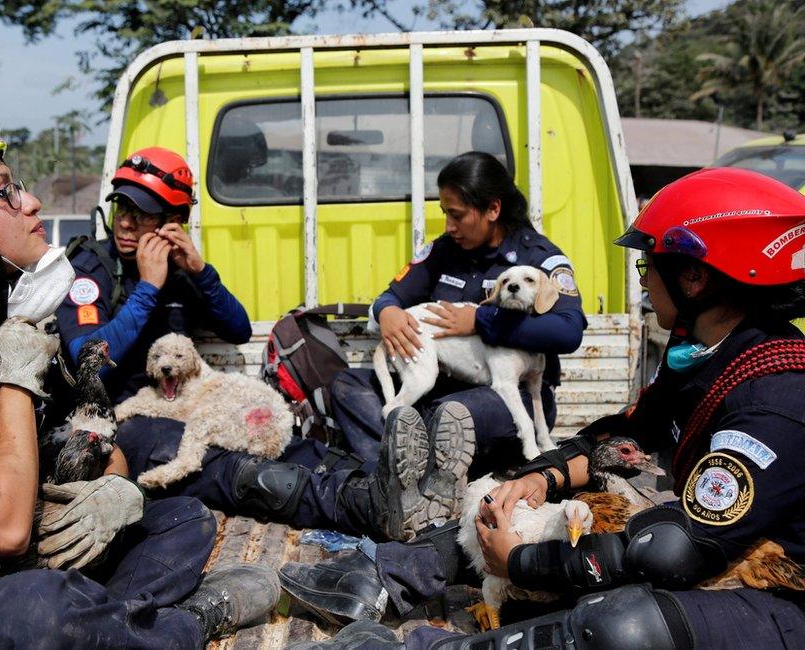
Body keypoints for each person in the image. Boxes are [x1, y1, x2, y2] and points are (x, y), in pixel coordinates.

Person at [282, 167, 805, 649]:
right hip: (712, 545)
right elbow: (629, 436)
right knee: (504, 504)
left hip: (778, 592)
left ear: (694, 278)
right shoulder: (705, 352)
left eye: (649, 265)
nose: (643, 280)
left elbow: (678, 549)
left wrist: (522, 561)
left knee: (622, 624)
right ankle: (382, 576)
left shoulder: (773, 397)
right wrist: (543, 479)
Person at [0, 98, 277, 648]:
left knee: (183, 520)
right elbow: (6, 529)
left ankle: (107, 628)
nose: (33, 203)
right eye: (5, 191)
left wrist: (114, 488)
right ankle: (174, 628)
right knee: (44, 609)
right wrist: (16, 374)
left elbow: (91, 444)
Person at [328, 151, 587, 466]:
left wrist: (481, 319)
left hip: (509, 397)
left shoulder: (539, 257)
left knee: (450, 414)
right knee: (347, 385)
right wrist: (387, 313)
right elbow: (391, 295)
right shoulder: (443, 251)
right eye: (445, 214)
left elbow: (569, 331)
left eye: (458, 215)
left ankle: (410, 466)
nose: (449, 226)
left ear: (493, 209)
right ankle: (387, 476)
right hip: (435, 385)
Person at [54, 146, 251, 404]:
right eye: (122, 208)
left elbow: (239, 331)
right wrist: (147, 289)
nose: (125, 222)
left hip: (175, 408)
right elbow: (89, 366)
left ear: (173, 221)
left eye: (142, 214)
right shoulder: (89, 269)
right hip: (116, 416)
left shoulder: (181, 272)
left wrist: (202, 273)